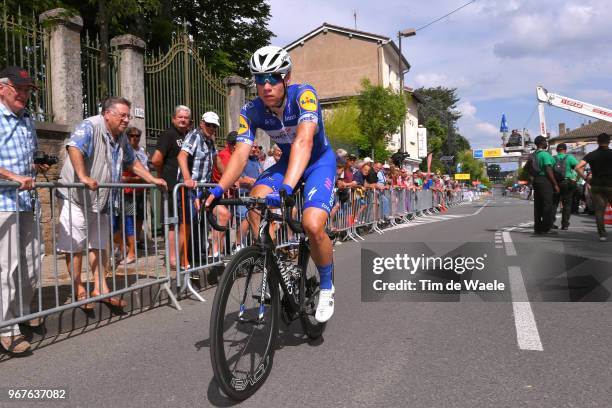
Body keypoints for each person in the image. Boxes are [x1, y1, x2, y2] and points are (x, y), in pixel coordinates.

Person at [205, 45, 336, 322]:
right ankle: (278, 266)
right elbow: (240, 153)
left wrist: (288, 187)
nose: (266, 85)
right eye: (259, 79)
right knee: (255, 203)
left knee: (313, 224)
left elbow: (304, 141)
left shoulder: (304, 95)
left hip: (317, 162)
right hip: (287, 162)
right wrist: (218, 189)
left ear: (286, 78)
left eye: (273, 78)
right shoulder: (250, 110)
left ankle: (326, 286)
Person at [56, 96, 166, 310]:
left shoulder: (121, 137)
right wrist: (83, 176)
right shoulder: (90, 125)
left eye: (128, 115)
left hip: (101, 199)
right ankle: (79, 289)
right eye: (122, 115)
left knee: (100, 244)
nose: (127, 120)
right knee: (75, 245)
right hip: (75, 196)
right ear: (107, 114)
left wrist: (151, 179)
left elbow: (131, 161)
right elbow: (74, 147)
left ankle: (100, 288)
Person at [0, 66, 47, 354]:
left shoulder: (28, 119)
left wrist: (34, 166)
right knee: (6, 268)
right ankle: (7, 329)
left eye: (28, 89)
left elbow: (28, 159)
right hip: (3, 203)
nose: (25, 94)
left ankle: (21, 314)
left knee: (31, 263)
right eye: (19, 88)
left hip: (27, 203)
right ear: (2, 88)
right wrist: (14, 177)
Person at [177, 111, 228, 262]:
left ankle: (205, 255)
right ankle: (183, 261)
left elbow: (217, 160)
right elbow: (182, 156)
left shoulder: (210, 141)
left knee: (222, 215)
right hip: (189, 189)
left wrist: (228, 178)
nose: (211, 128)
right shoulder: (194, 136)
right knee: (187, 225)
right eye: (209, 125)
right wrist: (187, 179)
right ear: (201, 123)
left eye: (214, 126)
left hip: (203, 190)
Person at [151, 105, 191, 269]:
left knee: (183, 223)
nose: (183, 120)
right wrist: (161, 177)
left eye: (186, 118)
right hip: (172, 187)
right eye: (180, 117)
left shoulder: (188, 136)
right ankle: (173, 259)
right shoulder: (168, 135)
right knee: (174, 224)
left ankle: (182, 257)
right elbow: (156, 159)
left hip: (183, 187)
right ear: (173, 118)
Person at [117, 127, 149, 264]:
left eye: (137, 136)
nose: (135, 138)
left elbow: (145, 171)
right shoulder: (122, 150)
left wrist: (141, 180)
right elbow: (121, 174)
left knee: (138, 218)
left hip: (139, 191)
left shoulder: (142, 152)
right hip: (125, 191)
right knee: (123, 220)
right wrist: (136, 179)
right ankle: (125, 248)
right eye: (131, 135)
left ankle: (132, 247)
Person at [575, 133, 612, 241]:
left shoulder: (592, 154)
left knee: (599, 211)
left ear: (597, 141)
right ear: (609, 141)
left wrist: (586, 178)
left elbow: (578, 167)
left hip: (596, 186)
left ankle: (602, 235)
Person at [531, 135, 560, 235]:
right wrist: (555, 184)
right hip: (545, 180)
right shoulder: (545, 154)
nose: (546, 143)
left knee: (538, 205)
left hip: (536, 180)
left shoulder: (534, 155)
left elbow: (528, 169)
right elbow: (548, 169)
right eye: (545, 142)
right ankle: (546, 228)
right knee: (548, 204)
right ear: (541, 143)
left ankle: (537, 228)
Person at [550, 143, 579, 230]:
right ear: (565, 150)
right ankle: (565, 224)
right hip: (567, 182)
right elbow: (578, 167)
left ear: (557, 150)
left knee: (554, 204)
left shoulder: (553, 158)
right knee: (567, 204)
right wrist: (576, 178)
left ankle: (551, 223)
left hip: (555, 183)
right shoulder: (569, 157)